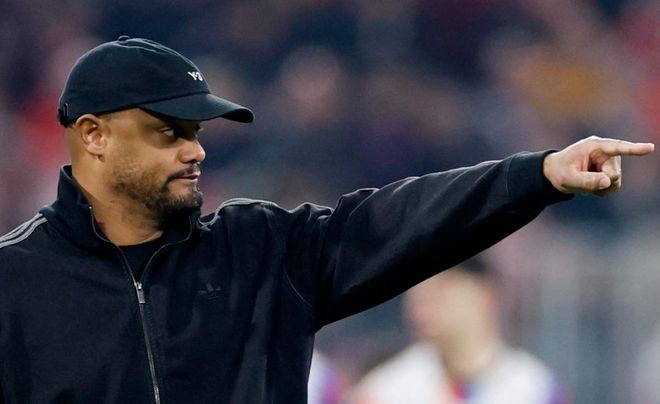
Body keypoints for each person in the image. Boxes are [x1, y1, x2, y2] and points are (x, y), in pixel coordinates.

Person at [0, 36, 653, 404]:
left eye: (195, 132)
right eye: (169, 131)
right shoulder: (15, 283)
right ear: (93, 136)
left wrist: (537, 175)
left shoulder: (259, 250)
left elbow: (396, 222)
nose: (195, 150)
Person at [350, 258, 569, 404]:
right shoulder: (385, 391)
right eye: (418, 297)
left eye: (440, 291)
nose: (420, 309)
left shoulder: (536, 391)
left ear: (486, 296)